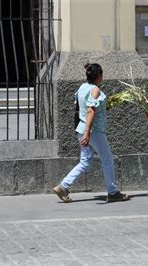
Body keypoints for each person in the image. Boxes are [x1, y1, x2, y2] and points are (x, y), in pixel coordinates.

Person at [53, 63, 128, 203]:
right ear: (99, 76)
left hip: (82, 129)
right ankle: (112, 192)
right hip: (94, 131)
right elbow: (90, 110)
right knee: (107, 160)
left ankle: (63, 186)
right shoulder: (95, 90)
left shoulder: (82, 87)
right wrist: (88, 133)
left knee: (85, 161)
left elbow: (87, 107)